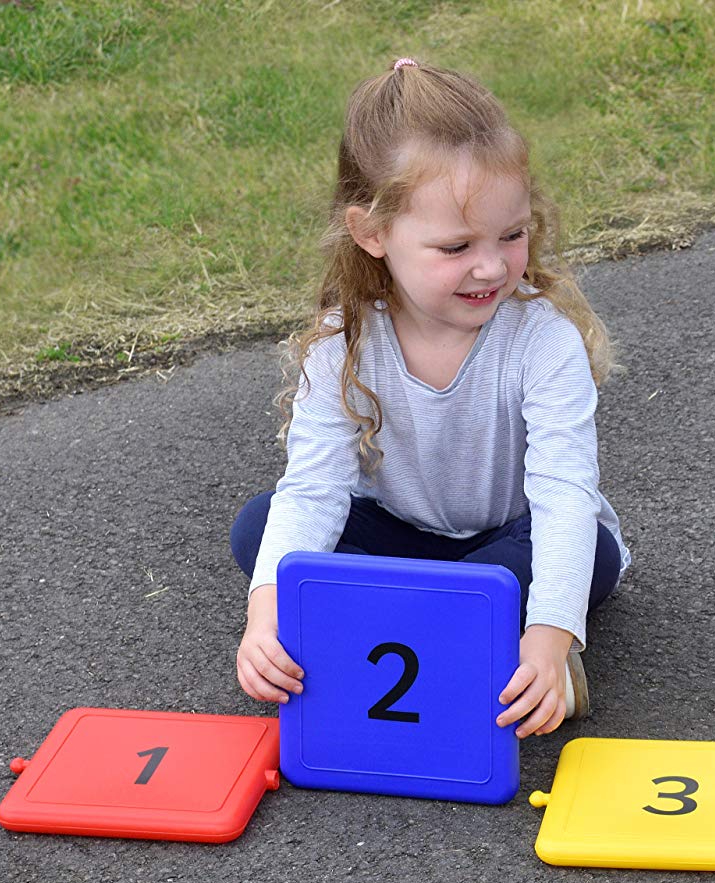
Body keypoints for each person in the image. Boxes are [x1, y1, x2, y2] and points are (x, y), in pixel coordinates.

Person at [230, 58, 625, 737]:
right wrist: (264, 614)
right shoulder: (342, 341)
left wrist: (553, 637)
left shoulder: (542, 341)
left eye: (513, 234)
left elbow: (564, 499)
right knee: (260, 530)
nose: (493, 266)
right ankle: (449, 630)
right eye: (455, 246)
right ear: (372, 234)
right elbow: (313, 490)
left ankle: (441, 630)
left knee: (568, 552)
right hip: (402, 537)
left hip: (514, 539)